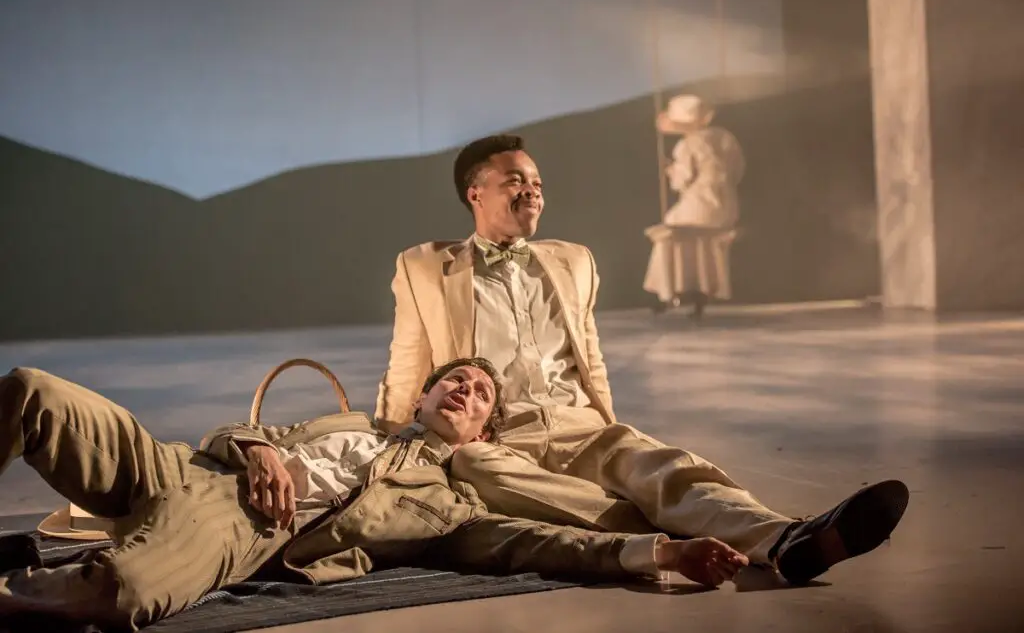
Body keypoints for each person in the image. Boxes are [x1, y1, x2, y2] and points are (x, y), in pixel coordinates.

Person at [375, 133, 910, 587]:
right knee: (473, 467)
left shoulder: (573, 260)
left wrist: (610, 429)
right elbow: (406, 365)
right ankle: (668, 532)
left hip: (576, 424)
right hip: (495, 436)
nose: (532, 190)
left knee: (659, 466)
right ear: (475, 193)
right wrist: (389, 459)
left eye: (536, 182)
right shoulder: (425, 267)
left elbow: (591, 359)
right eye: (515, 180)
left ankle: (787, 538)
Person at [0, 359, 747, 630]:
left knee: (126, 588)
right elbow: (234, 425)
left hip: (250, 520)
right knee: (31, 392)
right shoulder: (350, 418)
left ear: (481, 429)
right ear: (423, 396)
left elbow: (538, 543)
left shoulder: (449, 499)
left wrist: (661, 550)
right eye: (456, 379)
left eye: (482, 393)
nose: (467, 388)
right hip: (177, 465)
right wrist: (258, 444)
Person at [643, 94, 746, 317]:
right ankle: (702, 292)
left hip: (700, 205)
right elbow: (737, 170)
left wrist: (670, 170)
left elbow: (682, 179)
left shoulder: (688, 144)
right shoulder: (725, 137)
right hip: (725, 204)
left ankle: (669, 293)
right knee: (702, 243)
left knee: (668, 235)